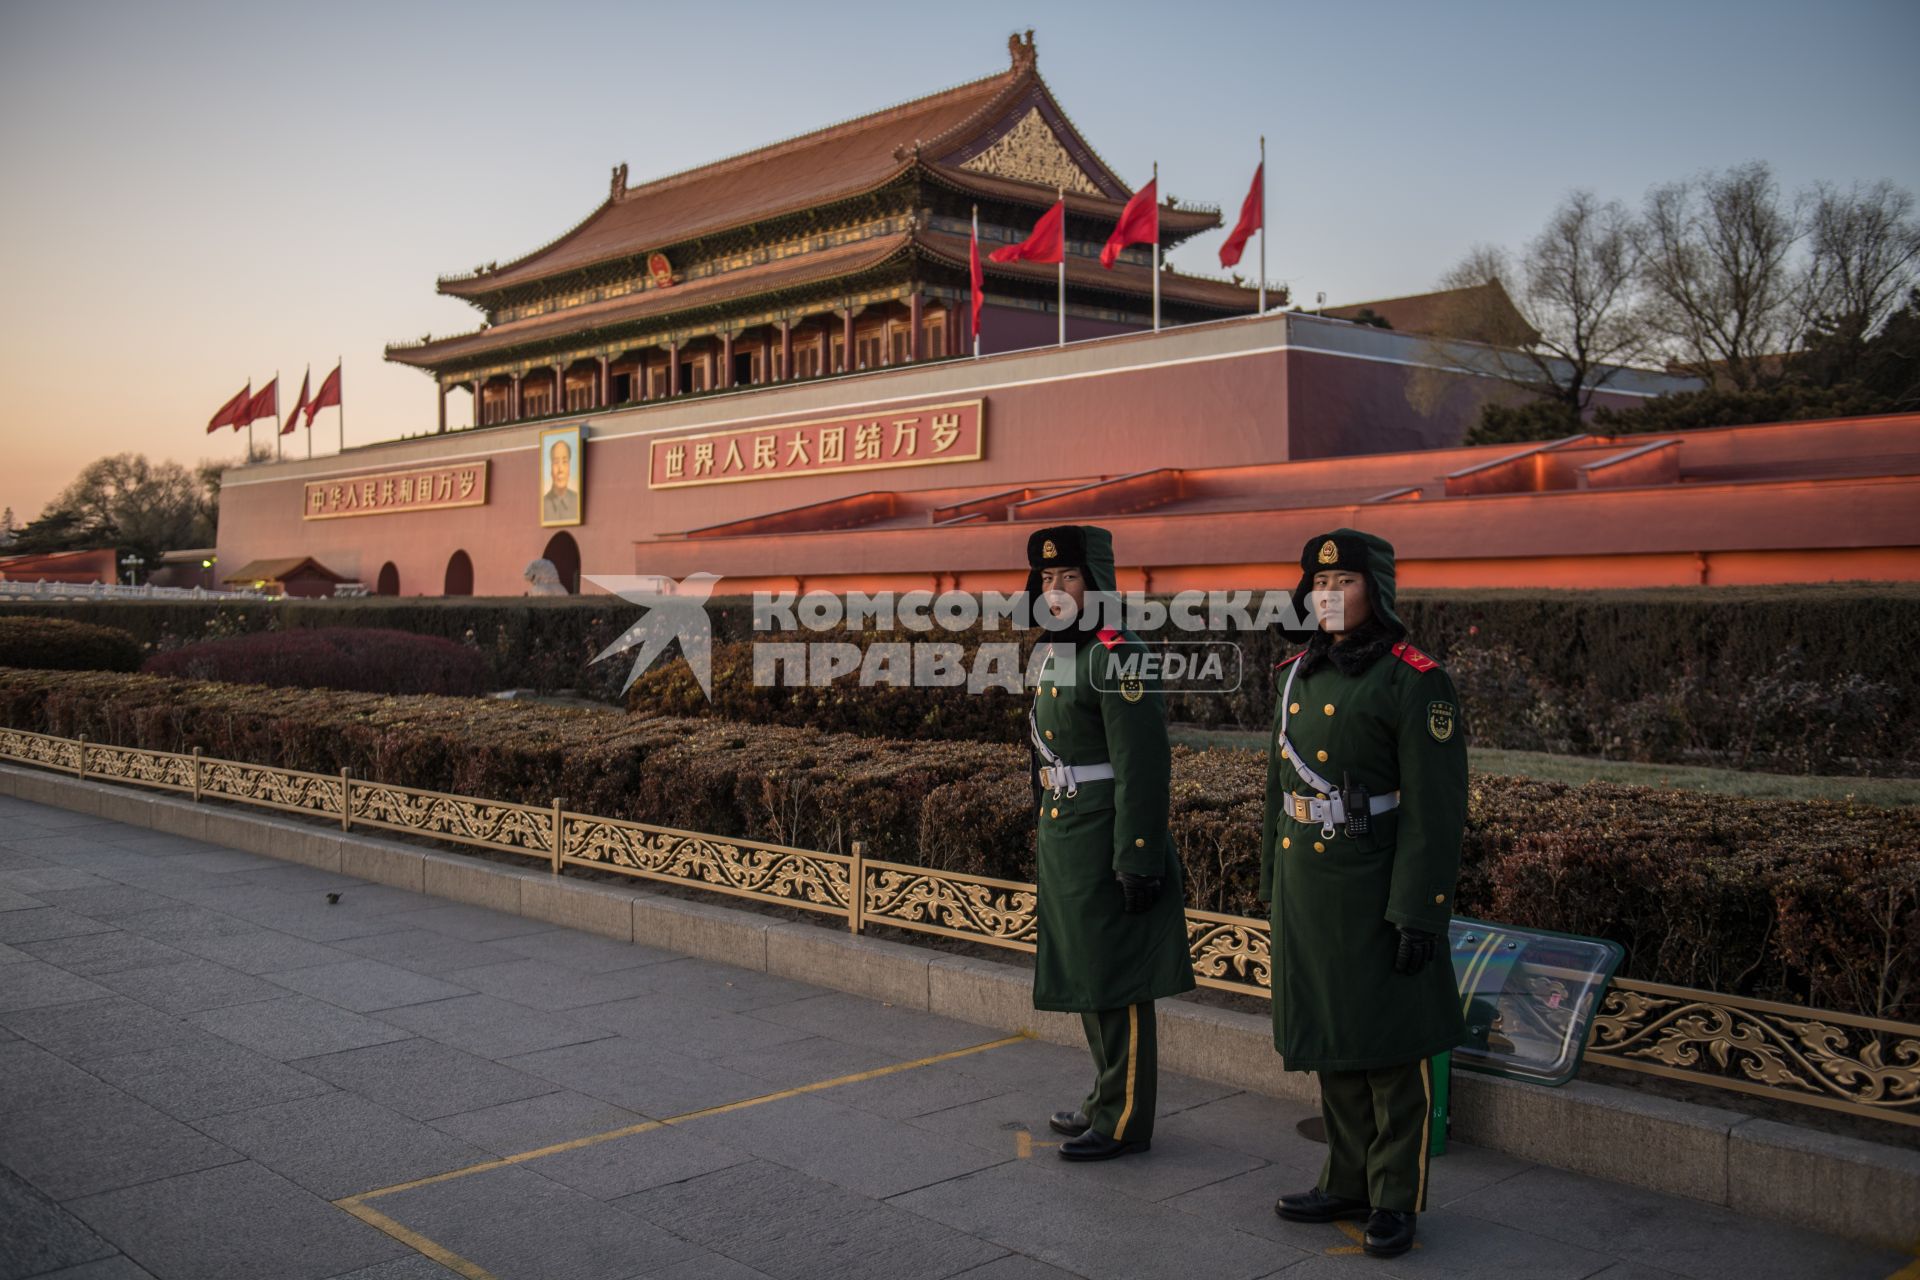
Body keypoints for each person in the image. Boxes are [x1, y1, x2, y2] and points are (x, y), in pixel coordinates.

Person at [1261, 528, 1468, 1258]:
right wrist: (1272, 886)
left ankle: (1394, 1197)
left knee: (1390, 1046)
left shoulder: (1414, 679)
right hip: (1309, 884)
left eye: (1343, 583)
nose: (1328, 597)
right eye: (1318, 584)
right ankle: (1344, 1178)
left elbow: (1437, 811)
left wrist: (1419, 910)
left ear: (1375, 592)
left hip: (1375, 881)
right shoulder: (1297, 671)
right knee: (1334, 1040)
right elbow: (1276, 790)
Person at [1025, 524, 1196, 1160]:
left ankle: (1124, 1119)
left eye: (1068, 576)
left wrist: (1139, 855)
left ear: (1096, 582)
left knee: (1117, 978)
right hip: (1066, 831)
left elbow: (1144, 766)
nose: (1057, 589)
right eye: (1046, 579)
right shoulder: (1058, 652)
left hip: (1104, 836)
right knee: (1088, 973)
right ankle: (1104, 1097)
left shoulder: (1117, 652)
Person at [543, 438, 579, 523]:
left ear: (569, 468)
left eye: (565, 462)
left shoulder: (577, 501)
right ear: (550, 469)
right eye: (556, 462)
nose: (560, 470)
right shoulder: (543, 504)